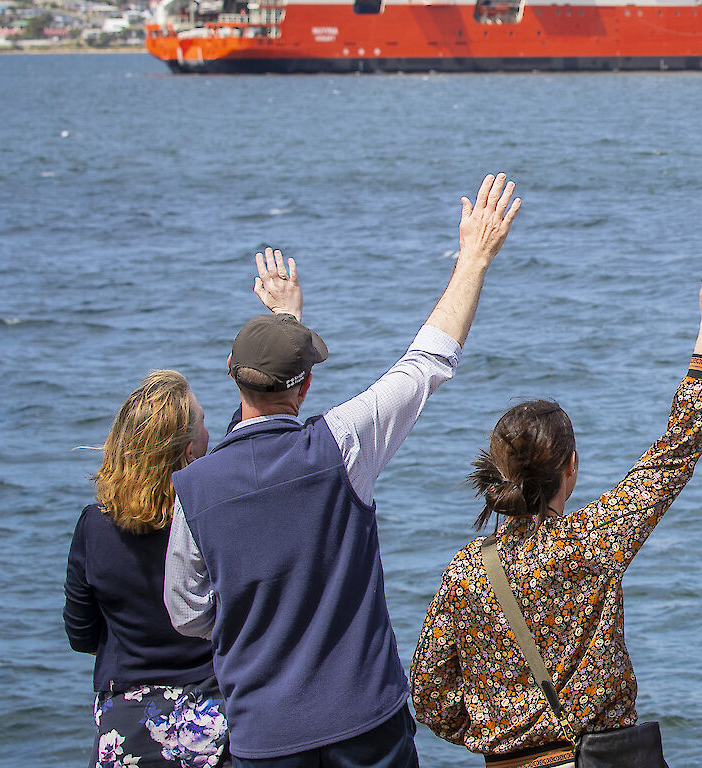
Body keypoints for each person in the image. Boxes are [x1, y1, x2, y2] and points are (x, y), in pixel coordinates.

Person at [164, 174, 523, 767]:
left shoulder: (195, 489)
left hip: (265, 735)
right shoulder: (341, 447)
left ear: (232, 373)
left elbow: (190, 614)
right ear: (305, 384)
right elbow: (427, 360)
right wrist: (474, 258)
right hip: (365, 724)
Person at [408, 250, 702, 768]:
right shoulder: (595, 540)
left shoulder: (466, 574)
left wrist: (497, 732)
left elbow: (430, 697)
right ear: (570, 467)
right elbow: (678, 448)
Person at [65, 369, 226, 768]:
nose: (209, 429)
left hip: (126, 724)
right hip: (212, 718)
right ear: (189, 450)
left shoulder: (94, 526)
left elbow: (81, 633)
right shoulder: (208, 521)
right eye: (203, 423)